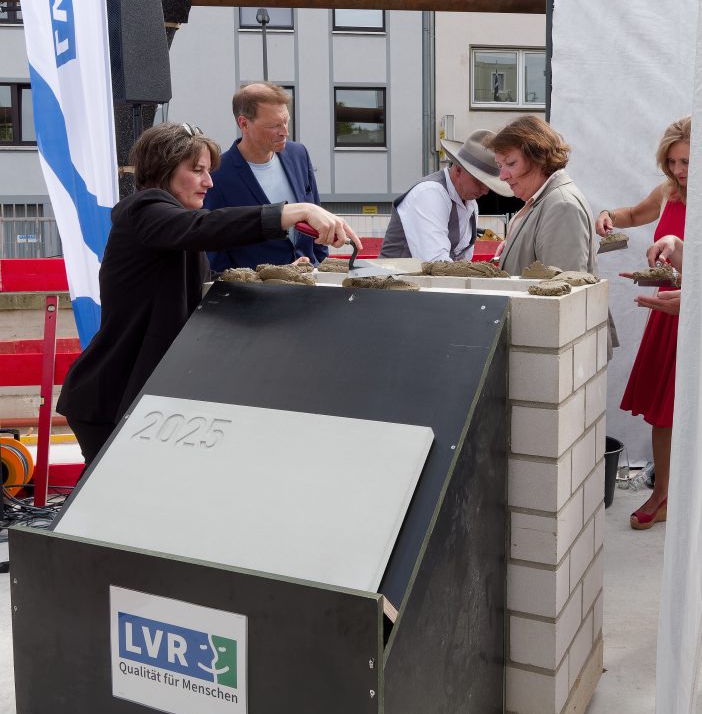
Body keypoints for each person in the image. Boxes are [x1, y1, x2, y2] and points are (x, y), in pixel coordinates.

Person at [56, 122, 360, 467]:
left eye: (209, 171)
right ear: (164, 168)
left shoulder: (170, 226)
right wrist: (296, 211)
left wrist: (276, 276)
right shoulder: (144, 210)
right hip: (112, 397)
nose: (209, 182)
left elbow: (205, 285)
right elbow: (206, 227)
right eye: (197, 170)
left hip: (138, 396)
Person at [596, 116, 690, 530]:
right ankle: (663, 493)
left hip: (695, 316)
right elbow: (633, 213)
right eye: (672, 162)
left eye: (688, 161)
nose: (680, 171)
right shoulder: (669, 193)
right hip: (667, 315)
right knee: (663, 414)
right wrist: (606, 215)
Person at [205, 84, 326, 272]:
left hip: (311, 282)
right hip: (256, 295)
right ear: (243, 123)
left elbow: (317, 214)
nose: (285, 131)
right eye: (274, 125)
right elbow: (214, 252)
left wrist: (321, 265)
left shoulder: (299, 154)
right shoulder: (217, 174)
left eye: (286, 121)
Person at [483, 116, 596, 275]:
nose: (502, 176)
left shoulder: (562, 207)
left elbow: (562, 290)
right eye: (500, 165)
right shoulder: (544, 199)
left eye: (511, 163)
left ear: (538, 157)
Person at [379, 130, 512, 261]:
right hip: (393, 280)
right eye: (479, 181)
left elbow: (462, 260)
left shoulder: (471, 204)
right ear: (459, 170)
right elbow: (435, 261)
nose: (485, 191)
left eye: (489, 184)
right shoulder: (429, 194)